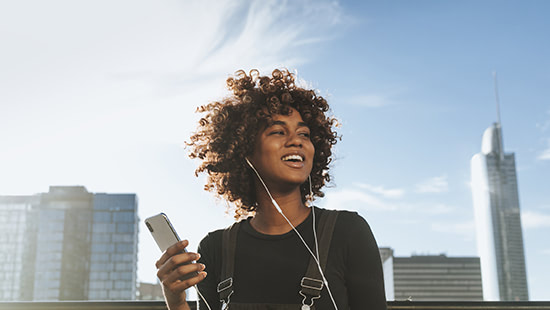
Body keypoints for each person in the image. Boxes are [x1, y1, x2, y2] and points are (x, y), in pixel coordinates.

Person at [155, 69, 387, 310]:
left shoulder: (348, 233)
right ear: (243, 149)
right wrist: (176, 301)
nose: (296, 140)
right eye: (278, 131)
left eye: (304, 134)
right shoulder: (215, 248)